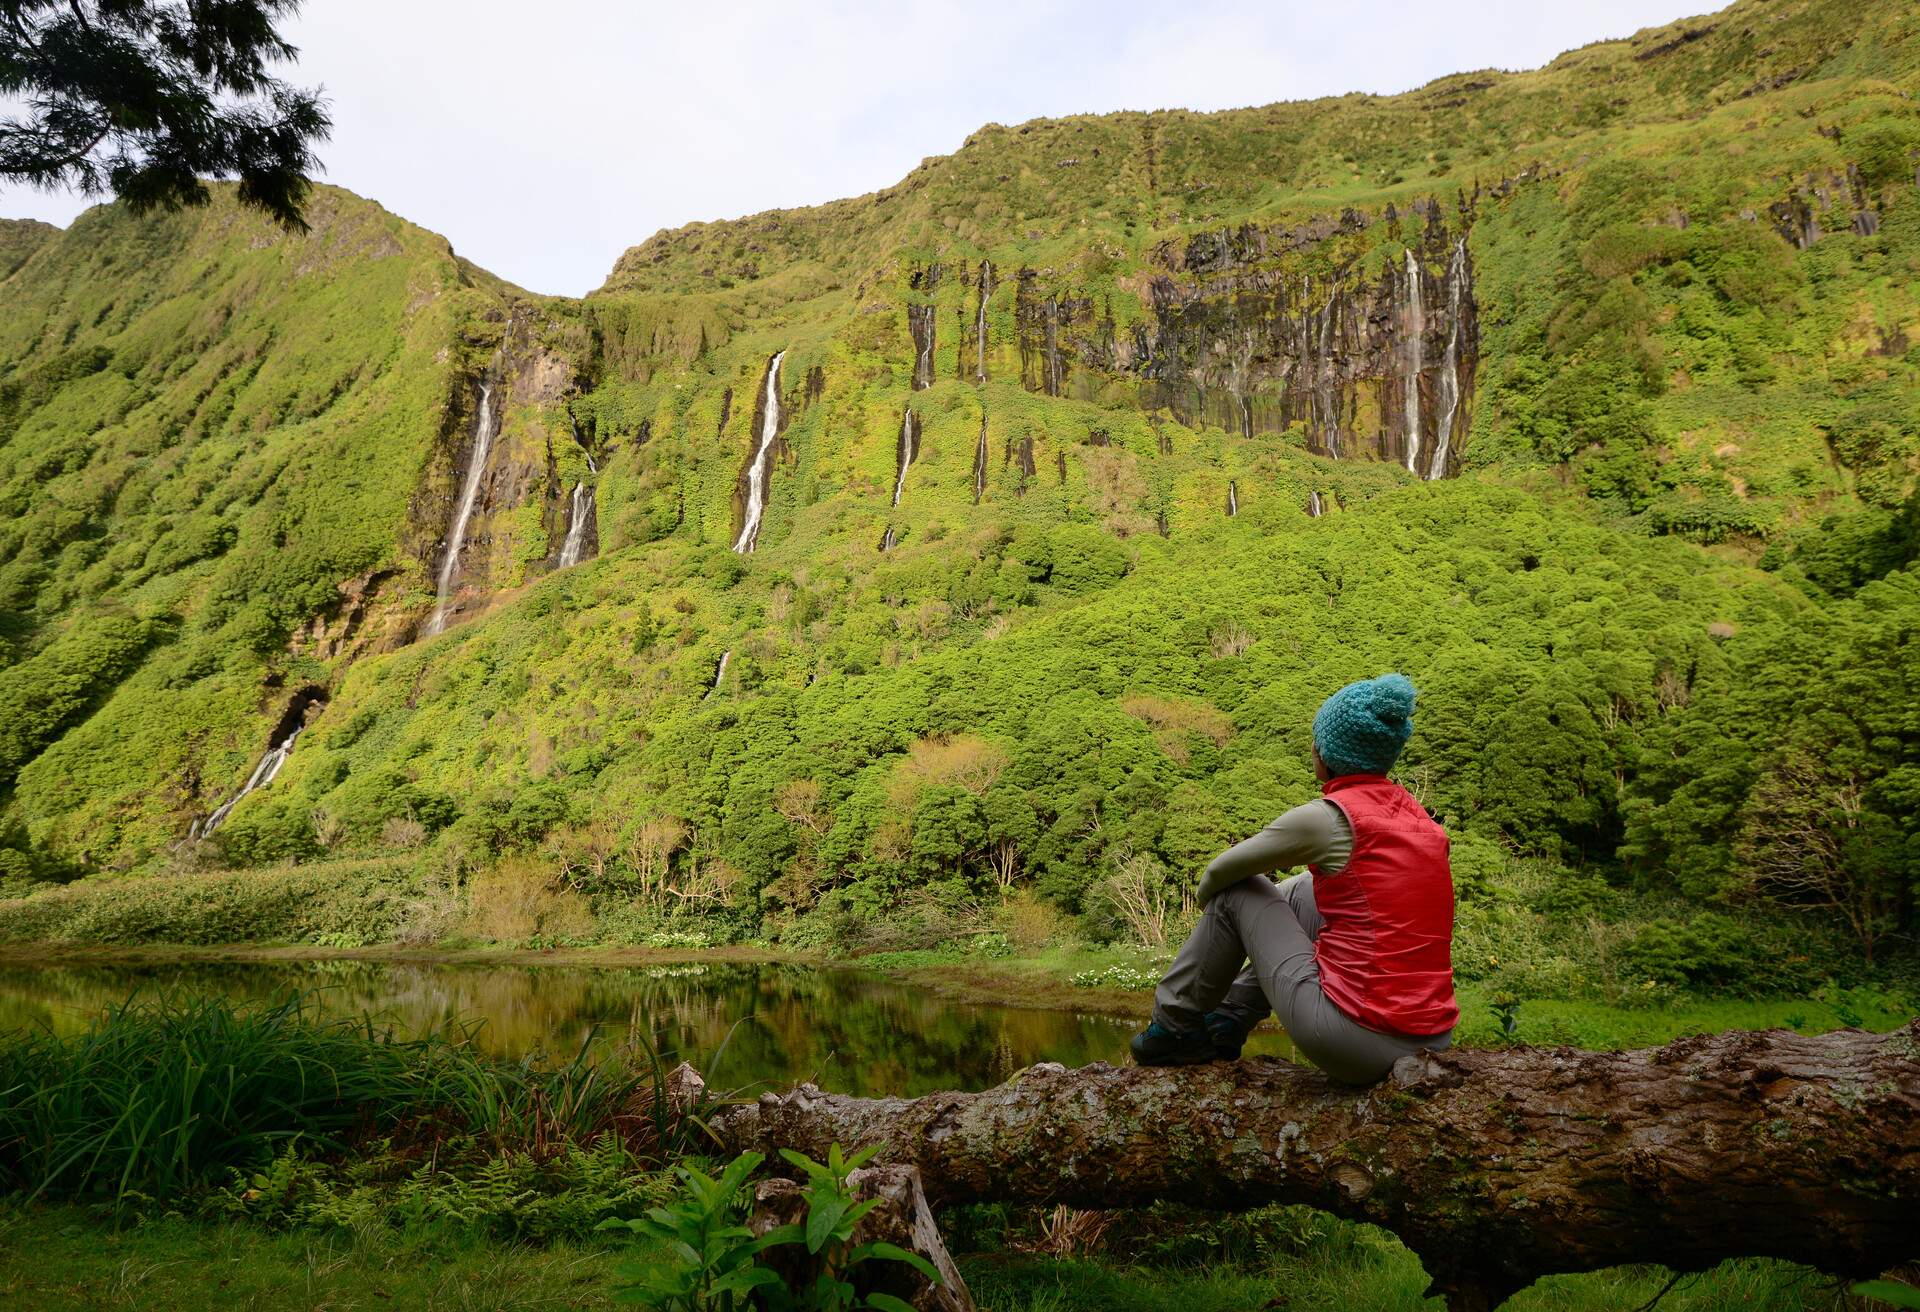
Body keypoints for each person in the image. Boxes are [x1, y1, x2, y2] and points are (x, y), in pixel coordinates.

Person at [1130, 672, 1458, 1084]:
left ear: (1327, 750)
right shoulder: (1420, 819)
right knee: (1305, 889)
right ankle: (1228, 1019)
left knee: (1239, 890)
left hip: (1356, 1039)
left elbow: (1220, 871)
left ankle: (1175, 1027)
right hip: (1433, 1038)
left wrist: (1212, 909)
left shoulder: (1331, 817)